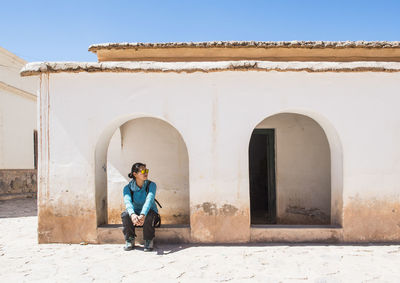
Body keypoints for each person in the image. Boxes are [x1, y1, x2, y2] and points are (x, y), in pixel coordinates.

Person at [121, 162, 158, 251]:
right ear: (135, 174)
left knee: (149, 214)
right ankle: (130, 239)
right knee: (125, 215)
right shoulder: (127, 188)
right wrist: (133, 215)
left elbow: (149, 200)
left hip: (150, 213)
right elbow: (128, 203)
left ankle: (148, 239)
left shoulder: (151, 185)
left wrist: (142, 214)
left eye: (146, 170)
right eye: (142, 171)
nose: (145, 173)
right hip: (135, 215)